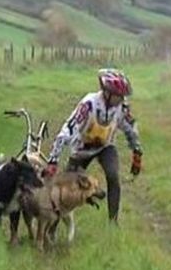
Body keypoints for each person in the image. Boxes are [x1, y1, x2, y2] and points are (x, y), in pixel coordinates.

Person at [45, 68, 143, 223]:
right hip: (82, 148)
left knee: (113, 176)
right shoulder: (89, 104)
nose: (122, 99)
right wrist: (53, 160)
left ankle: (113, 221)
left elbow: (130, 128)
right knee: (67, 185)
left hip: (106, 147)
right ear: (107, 92)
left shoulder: (122, 107)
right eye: (119, 96)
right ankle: (53, 223)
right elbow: (68, 129)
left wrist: (137, 152)